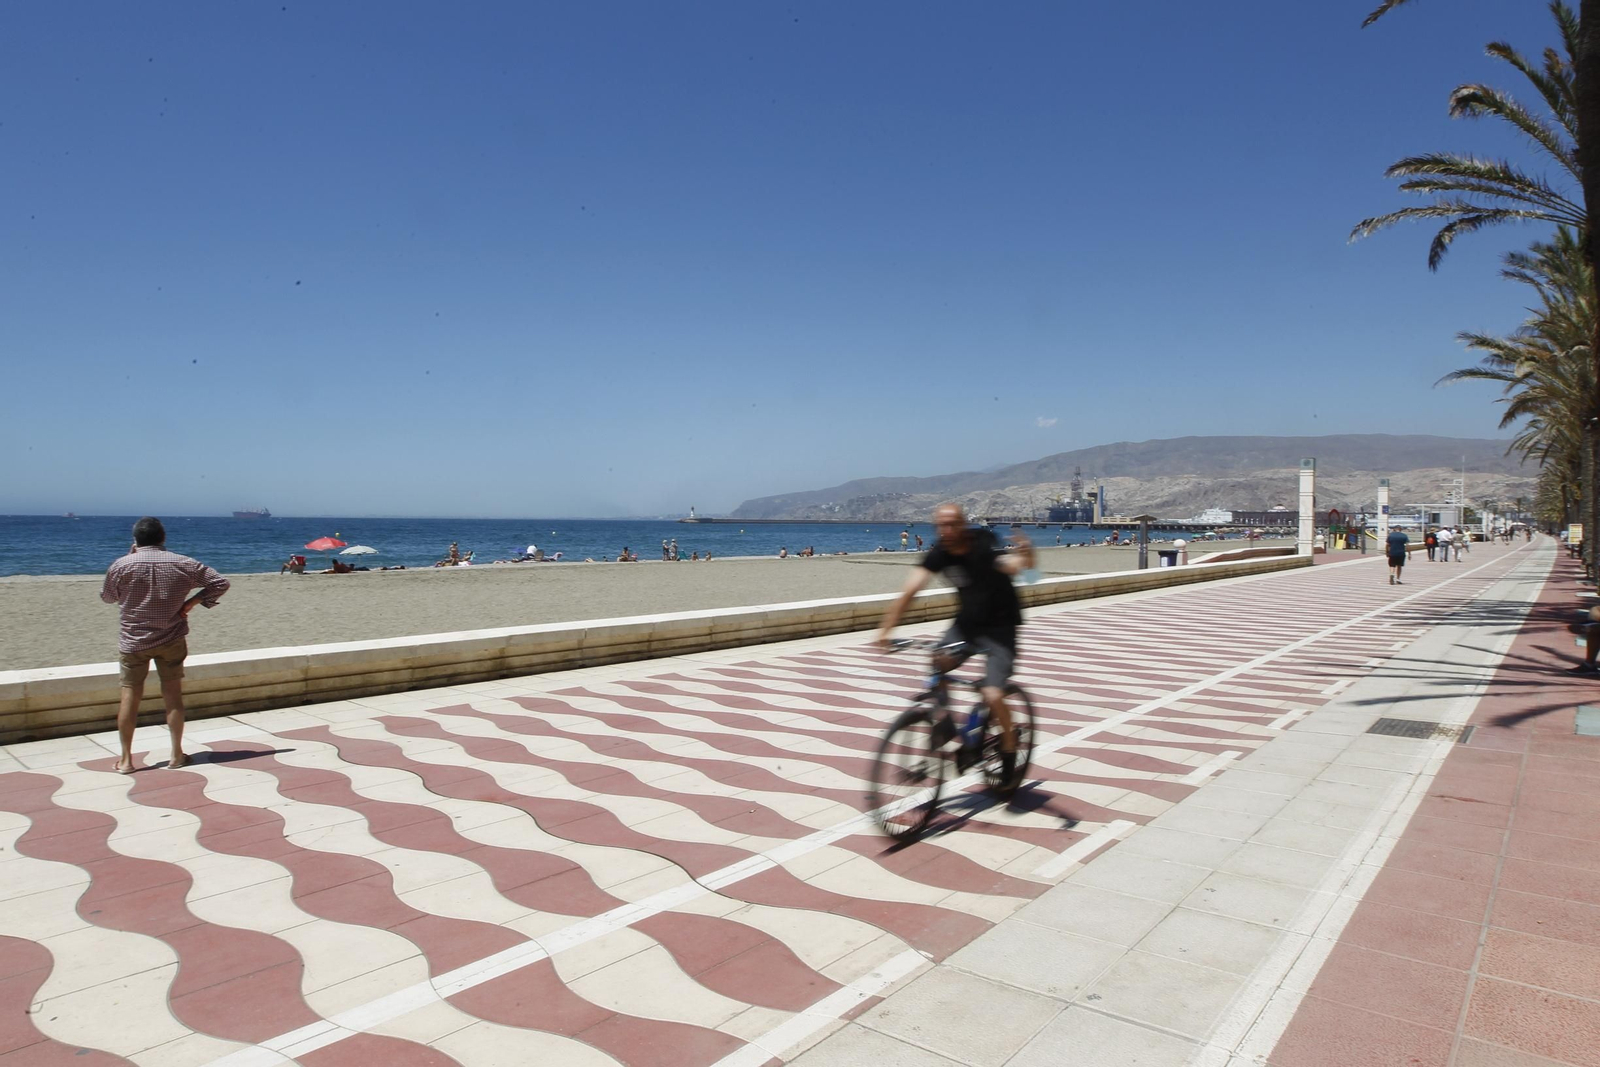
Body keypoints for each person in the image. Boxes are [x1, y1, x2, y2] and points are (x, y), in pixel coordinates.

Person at [874, 503, 1035, 793]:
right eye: (941, 526)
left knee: (992, 692)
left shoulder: (983, 545)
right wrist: (886, 629)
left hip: (1001, 628)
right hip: (966, 625)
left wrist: (1026, 554)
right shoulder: (940, 552)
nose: (947, 531)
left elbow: (1014, 567)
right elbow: (911, 590)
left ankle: (1009, 746)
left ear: (963, 525)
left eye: (952, 525)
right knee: (938, 660)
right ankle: (945, 727)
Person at [99, 517, 230, 774]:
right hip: (171, 638)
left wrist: (128, 560)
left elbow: (107, 597)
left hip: (133, 641)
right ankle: (176, 754)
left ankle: (126, 760)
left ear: (135, 539)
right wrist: (191, 603)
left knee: (129, 697)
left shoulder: (121, 564)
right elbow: (220, 582)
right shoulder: (183, 562)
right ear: (163, 537)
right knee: (172, 696)